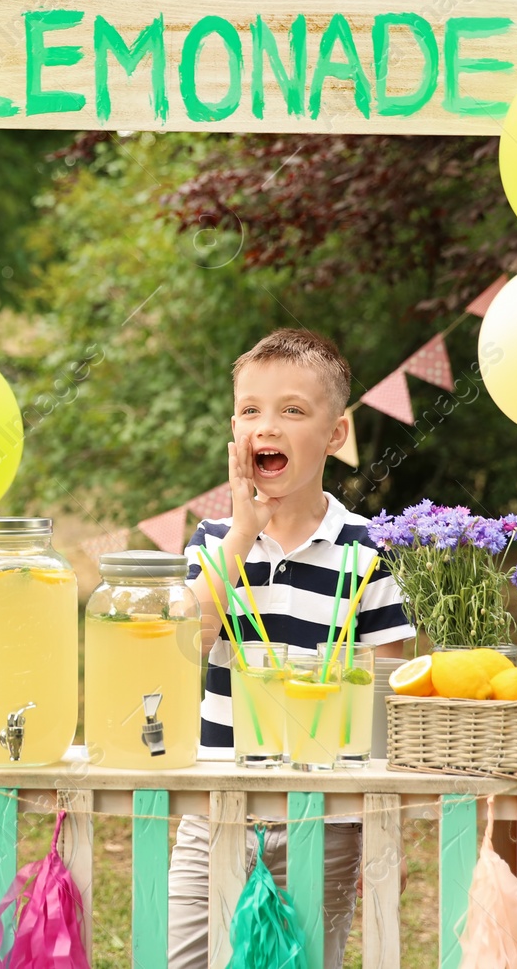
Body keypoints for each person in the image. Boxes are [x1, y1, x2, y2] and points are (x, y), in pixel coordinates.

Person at [167, 328, 414, 969]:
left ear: (335, 435)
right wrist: (242, 533)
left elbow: (392, 705)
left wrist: (389, 834)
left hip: (324, 821)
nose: (266, 426)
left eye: (292, 410)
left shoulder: (368, 550)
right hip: (215, 810)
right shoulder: (214, 541)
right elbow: (183, 644)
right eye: (250, 410)